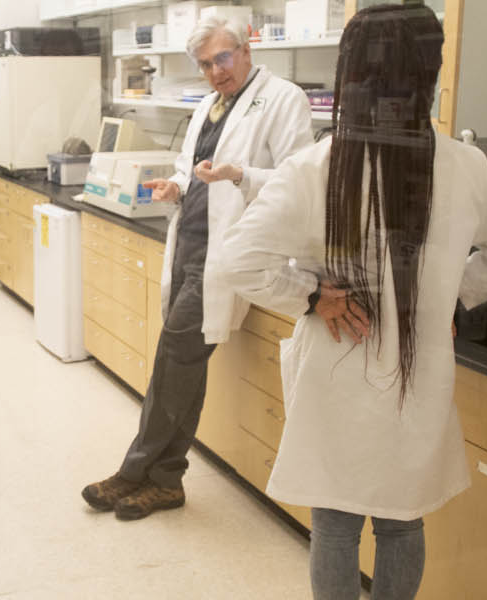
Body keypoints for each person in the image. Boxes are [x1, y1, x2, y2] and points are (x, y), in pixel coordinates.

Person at [216, 5, 487, 599]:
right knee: (402, 523)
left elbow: (238, 259)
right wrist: (454, 295)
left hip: (337, 368)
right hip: (416, 378)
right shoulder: (464, 167)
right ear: (430, 74)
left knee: (335, 525)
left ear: (349, 76)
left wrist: (314, 295)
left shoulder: (316, 169)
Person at [81, 16, 316, 521]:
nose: (215, 71)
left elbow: (302, 181)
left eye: (222, 58)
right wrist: (177, 187)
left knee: (174, 357)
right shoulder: (211, 106)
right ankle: (163, 479)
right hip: (191, 245)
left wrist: (240, 174)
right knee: (180, 364)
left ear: (246, 48)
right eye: (206, 64)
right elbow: (195, 171)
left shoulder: (283, 99)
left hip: (232, 253)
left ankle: (137, 471)